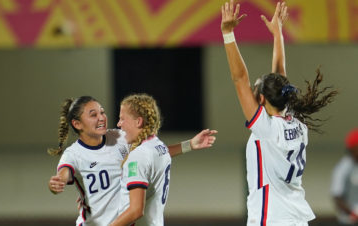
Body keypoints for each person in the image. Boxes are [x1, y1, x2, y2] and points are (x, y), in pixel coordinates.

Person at [220, 0, 338, 225]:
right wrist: (277, 35)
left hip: (272, 218)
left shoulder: (267, 128)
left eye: (255, 89)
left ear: (261, 99)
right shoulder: (296, 121)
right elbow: (279, 78)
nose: (251, 92)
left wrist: (228, 34)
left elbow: (239, 79)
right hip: (295, 217)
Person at [47, 96, 217, 226]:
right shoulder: (74, 154)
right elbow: (63, 174)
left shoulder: (119, 137)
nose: (101, 117)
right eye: (93, 115)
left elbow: (150, 156)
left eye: (102, 112)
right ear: (77, 124)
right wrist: (56, 183)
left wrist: (189, 145)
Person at [110, 93, 170, 226]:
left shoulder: (138, 156)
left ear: (138, 121)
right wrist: (188, 145)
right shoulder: (158, 146)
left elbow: (136, 210)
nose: (119, 124)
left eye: (122, 119)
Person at [331, 128, 358, 225]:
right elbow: (337, 197)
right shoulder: (343, 167)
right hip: (349, 221)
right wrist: (353, 213)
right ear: (352, 147)